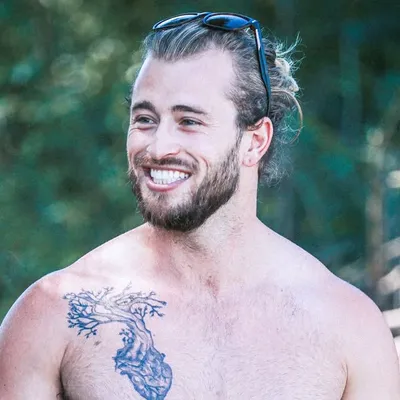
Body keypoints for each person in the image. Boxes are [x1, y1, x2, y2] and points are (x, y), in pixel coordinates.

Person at [0, 11, 399, 400]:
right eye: (145, 119)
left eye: (189, 121)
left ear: (255, 141)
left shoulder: (349, 327)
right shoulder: (55, 313)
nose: (158, 147)